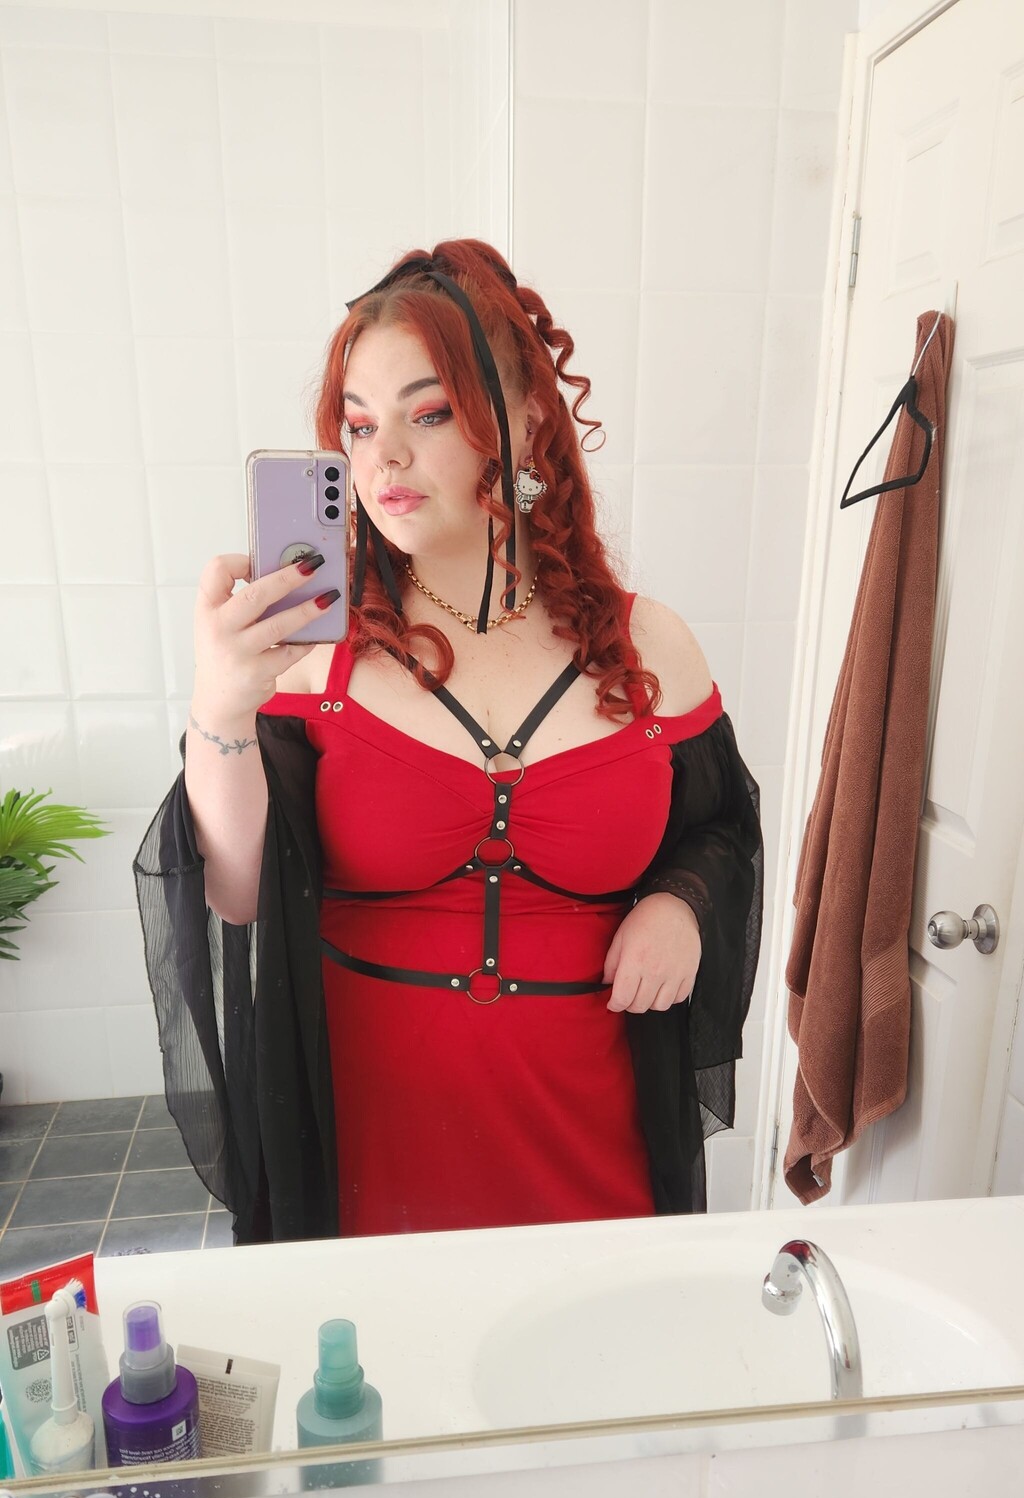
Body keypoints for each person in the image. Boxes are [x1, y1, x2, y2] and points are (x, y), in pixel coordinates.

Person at [134, 240, 763, 1243]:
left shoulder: (650, 646)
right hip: (369, 1148)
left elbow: (721, 829)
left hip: (593, 1137)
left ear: (526, 423)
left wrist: (683, 905)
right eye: (359, 424)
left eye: (425, 415)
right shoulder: (314, 654)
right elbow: (238, 892)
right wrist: (220, 707)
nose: (382, 457)